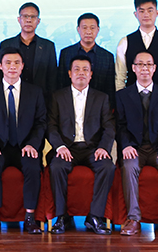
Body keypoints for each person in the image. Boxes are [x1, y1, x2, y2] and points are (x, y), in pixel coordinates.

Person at [0, 46, 46, 234]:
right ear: (0, 66)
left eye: (17, 62)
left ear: (23, 66)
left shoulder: (35, 92)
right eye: (8, 63)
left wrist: (33, 144)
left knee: (33, 167)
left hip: (25, 145)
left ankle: (30, 219)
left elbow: (41, 122)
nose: (12, 67)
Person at [46, 56, 116, 235]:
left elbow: (109, 127)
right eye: (77, 69)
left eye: (85, 69)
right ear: (70, 74)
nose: (81, 73)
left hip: (93, 149)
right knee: (56, 166)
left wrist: (103, 147)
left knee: (107, 166)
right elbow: (51, 126)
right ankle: (62, 217)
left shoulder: (101, 98)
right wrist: (59, 147)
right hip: (67, 148)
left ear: (91, 74)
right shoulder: (58, 96)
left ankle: (95, 216)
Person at [115, 50, 158, 237]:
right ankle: (133, 218)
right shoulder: (122, 95)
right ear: (133, 68)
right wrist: (126, 145)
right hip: (134, 148)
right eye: (140, 64)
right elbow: (119, 125)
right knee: (129, 166)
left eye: (149, 64)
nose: (145, 68)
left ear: (154, 68)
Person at [116, 0, 158, 99]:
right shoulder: (125, 42)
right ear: (135, 14)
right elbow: (120, 77)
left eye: (150, 10)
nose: (146, 14)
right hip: (131, 100)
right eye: (141, 11)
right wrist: (120, 101)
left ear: (157, 13)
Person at [0, 2, 59, 97]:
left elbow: (52, 77)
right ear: (19, 19)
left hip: (41, 98)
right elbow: (0, 74)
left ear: (38, 21)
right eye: (25, 16)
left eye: (32, 17)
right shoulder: (6, 44)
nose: (29, 20)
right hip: (12, 97)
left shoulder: (48, 46)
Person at [58, 12, 116, 96]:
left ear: (98, 30)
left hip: (98, 102)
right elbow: (61, 82)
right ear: (78, 29)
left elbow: (110, 87)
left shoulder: (107, 56)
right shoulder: (66, 53)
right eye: (84, 28)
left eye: (92, 28)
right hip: (70, 101)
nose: (88, 32)